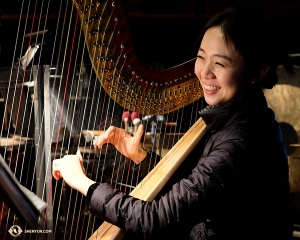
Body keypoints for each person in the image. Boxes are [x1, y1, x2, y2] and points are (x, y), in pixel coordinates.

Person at [52, 5, 294, 240]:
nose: (204, 72)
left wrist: (83, 182)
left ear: (256, 72)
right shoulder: (244, 116)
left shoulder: (240, 142)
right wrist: (141, 158)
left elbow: (154, 220)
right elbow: (197, 191)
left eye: (220, 63)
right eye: (201, 58)